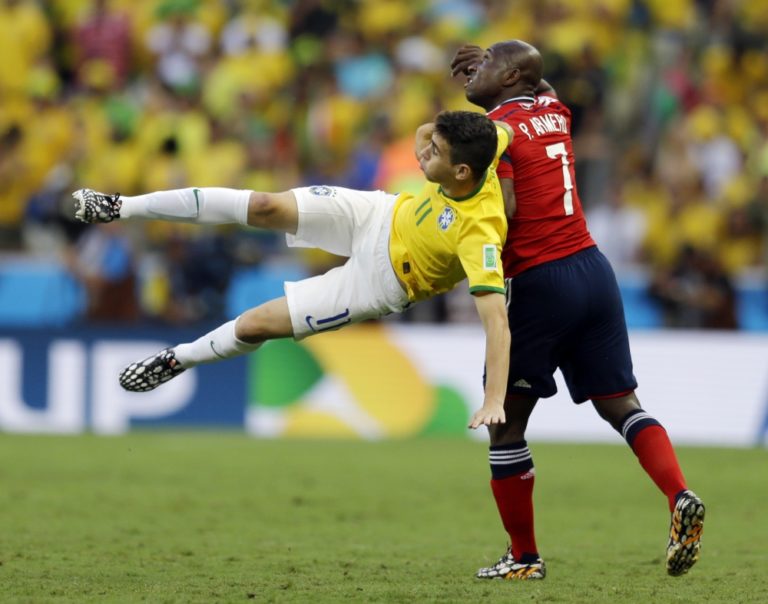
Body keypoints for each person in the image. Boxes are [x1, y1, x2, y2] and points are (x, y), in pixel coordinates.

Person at [73, 110, 512, 430]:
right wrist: (428, 139)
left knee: (256, 325)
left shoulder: (480, 233)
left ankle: (178, 358)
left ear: (461, 171)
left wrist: (494, 400)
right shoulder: (487, 140)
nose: (423, 154)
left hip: (384, 282)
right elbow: (452, 126)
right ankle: (119, 206)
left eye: (435, 153)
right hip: (380, 213)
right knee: (265, 204)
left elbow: (496, 323)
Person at [450, 41, 705, 580]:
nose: (476, 68)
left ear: (511, 76)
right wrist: (489, 76)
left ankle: (524, 558)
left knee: (505, 426)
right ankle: (679, 494)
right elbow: (536, 86)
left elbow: (508, 207)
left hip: (539, 280)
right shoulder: (555, 111)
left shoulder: (497, 132)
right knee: (622, 405)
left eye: (489, 61)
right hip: (592, 270)